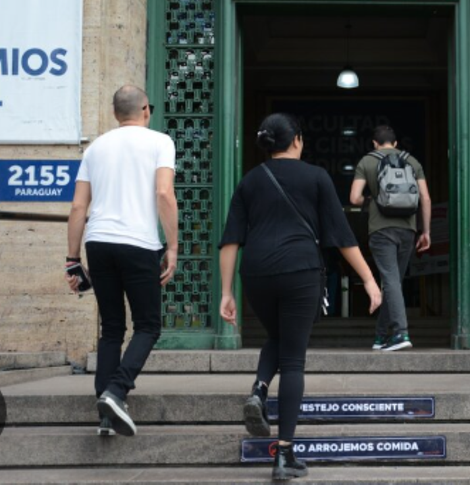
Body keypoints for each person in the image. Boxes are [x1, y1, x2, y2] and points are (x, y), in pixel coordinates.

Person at [218, 113, 381, 481]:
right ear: (297, 141)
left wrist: (227, 292)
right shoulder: (317, 177)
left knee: (277, 338)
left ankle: (259, 389)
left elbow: (230, 240)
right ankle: (284, 455)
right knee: (293, 360)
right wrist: (370, 280)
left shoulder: (249, 181)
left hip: (256, 273)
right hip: (300, 272)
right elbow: (341, 237)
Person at [65, 85, 179, 435]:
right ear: (146, 109)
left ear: (116, 114)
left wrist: (72, 259)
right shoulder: (161, 142)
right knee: (148, 325)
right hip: (138, 243)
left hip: (98, 243)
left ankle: (106, 415)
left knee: (112, 327)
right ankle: (116, 391)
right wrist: (172, 246)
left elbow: (78, 207)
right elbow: (163, 193)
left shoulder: (96, 148)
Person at [350, 125, 432, 351]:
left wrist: (372, 201)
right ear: (395, 144)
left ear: (375, 143)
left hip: (381, 229)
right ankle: (380, 337)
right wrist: (426, 231)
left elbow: (354, 198)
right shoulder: (412, 161)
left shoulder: (367, 161)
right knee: (393, 281)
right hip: (408, 229)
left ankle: (400, 333)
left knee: (390, 280)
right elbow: (425, 198)